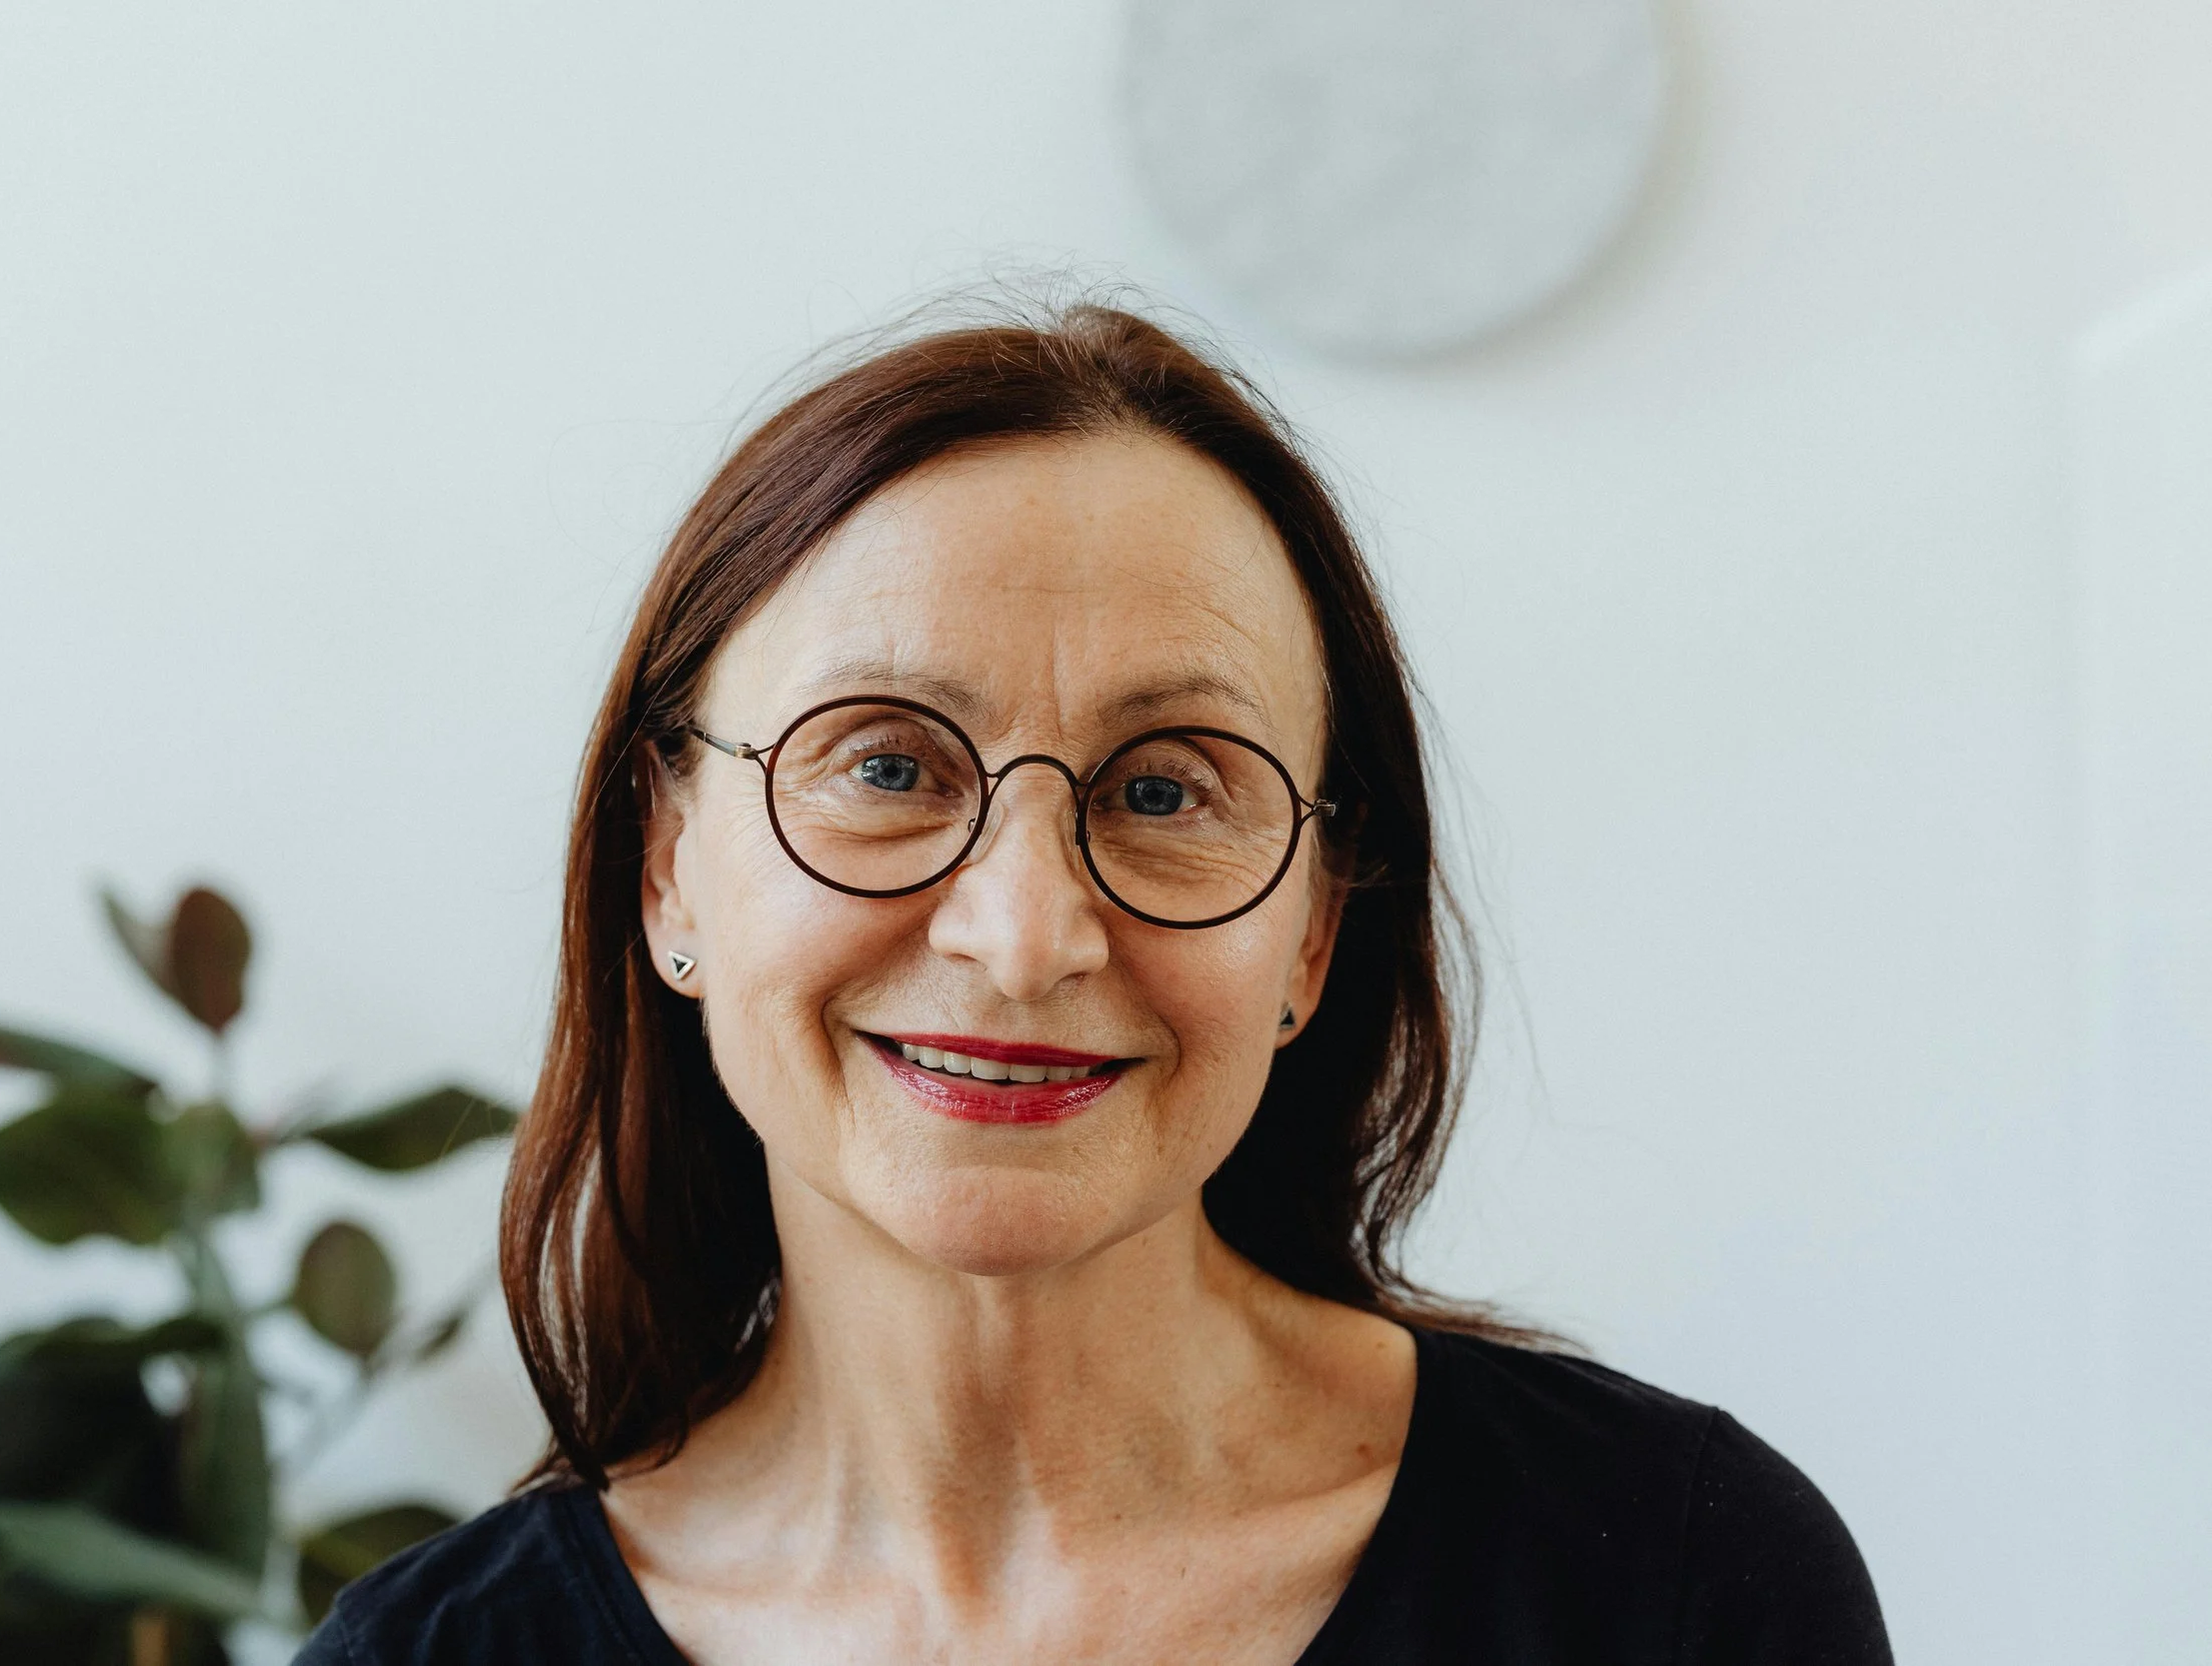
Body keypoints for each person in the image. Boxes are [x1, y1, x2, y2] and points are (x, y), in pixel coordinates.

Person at [297, 300, 1890, 1663]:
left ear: (1314, 928)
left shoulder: (1679, 1582)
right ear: (666, 864)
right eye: (888, 765)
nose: (1023, 935)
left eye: (1164, 790)